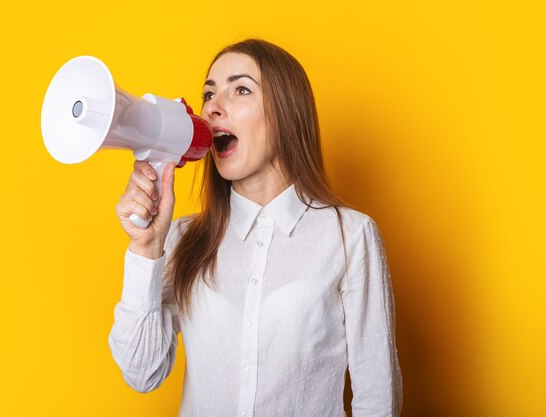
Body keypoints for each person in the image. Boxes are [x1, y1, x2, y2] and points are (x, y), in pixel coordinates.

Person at [109, 38, 403, 417]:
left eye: (241, 89)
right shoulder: (182, 239)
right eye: (208, 93)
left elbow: (377, 398)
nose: (213, 107)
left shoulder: (350, 236)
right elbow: (142, 372)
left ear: (286, 113)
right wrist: (146, 250)